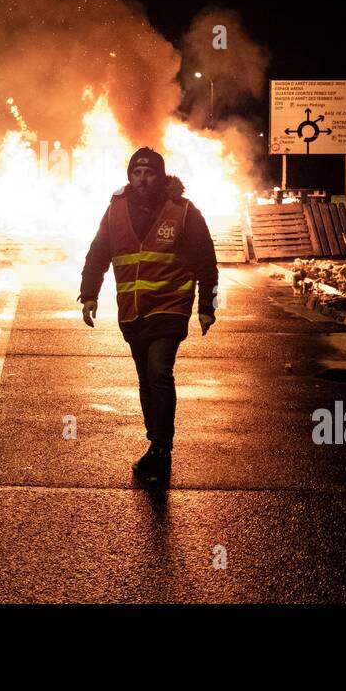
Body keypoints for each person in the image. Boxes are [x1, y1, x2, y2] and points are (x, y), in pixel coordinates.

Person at [79, 147, 218, 485]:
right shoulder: (115, 210)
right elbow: (98, 253)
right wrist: (89, 294)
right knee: (145, 379)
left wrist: (206, 306)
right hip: (132, 312)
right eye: (137, 173)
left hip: (170, 308)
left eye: (150, 173)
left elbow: (206, 261)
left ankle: (162, 446)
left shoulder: (183, 211)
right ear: (130, 176)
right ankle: (154, 439)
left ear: (160, 176)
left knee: (159, 371)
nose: (142, 179)